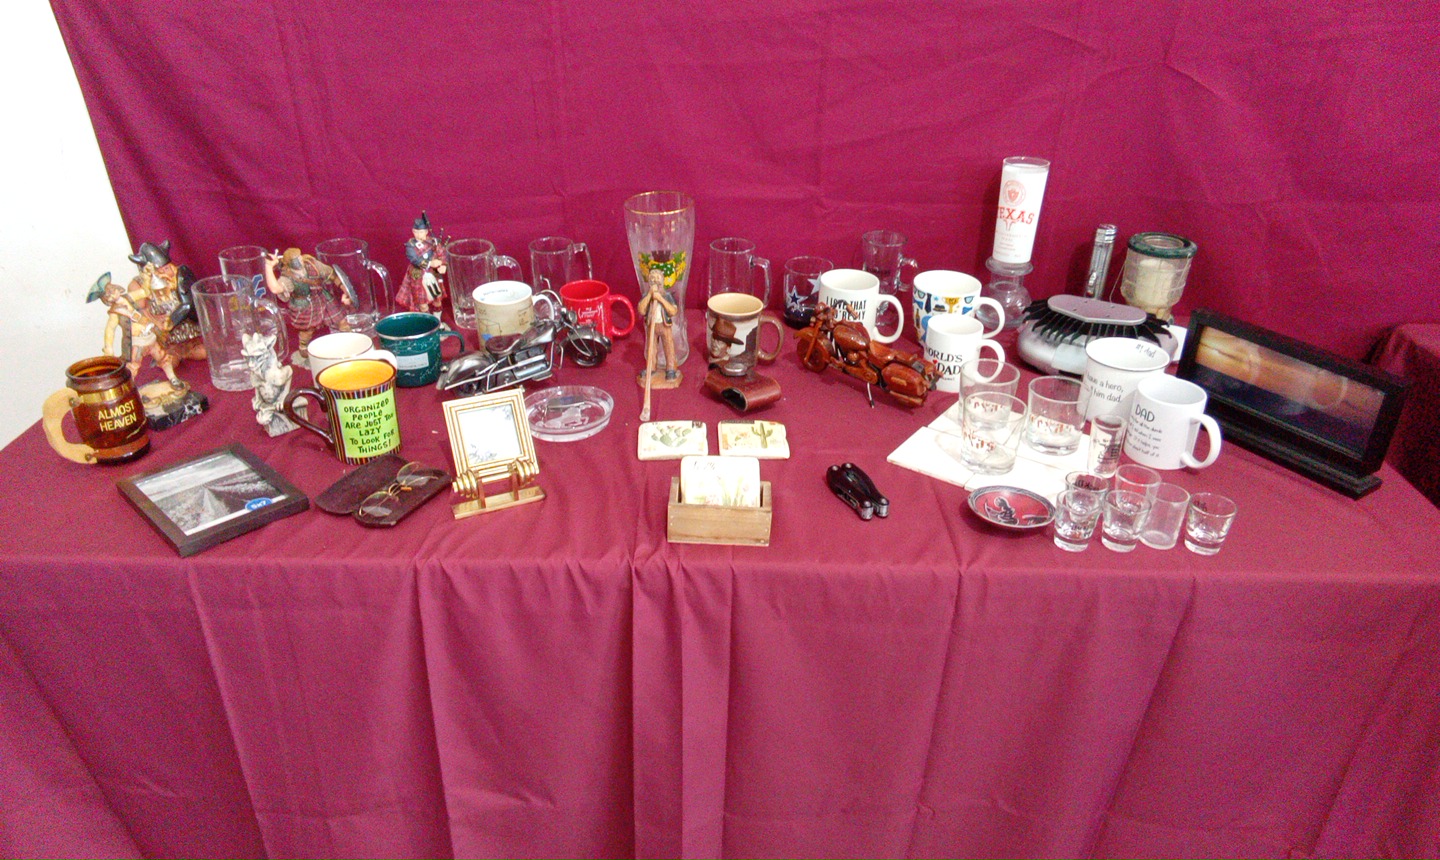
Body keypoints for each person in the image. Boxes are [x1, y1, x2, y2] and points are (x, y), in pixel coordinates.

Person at [263, 248, 352, 358]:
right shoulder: (287, 277)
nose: (300, 260)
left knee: (341, 319)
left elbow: (331, 275)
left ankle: (349, 339)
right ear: (289, 263)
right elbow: (275, 289)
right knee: (307, 330)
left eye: (299, 257)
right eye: (296, 259)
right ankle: (303, 347)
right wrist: (268, 267)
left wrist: (344, 288)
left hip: (322, 297)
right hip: (304, 304)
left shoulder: (311, 264)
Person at [396, 212, 447, 315]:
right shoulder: (410, 245)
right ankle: (427, 321)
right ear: (413, 232)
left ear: (426, 232)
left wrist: (443, 264)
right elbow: (414, 259)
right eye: (416, 232)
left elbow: (442, 253)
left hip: (433, 274)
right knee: (422, 304)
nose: (419, 235)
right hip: (418, 275)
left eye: (421, 232)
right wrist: (430, 263)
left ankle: (437, 320)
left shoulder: (433, 242)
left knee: (437, 299)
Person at [639, 268, 679, 381]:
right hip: (651, 326)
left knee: (669, 347)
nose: (655, 280)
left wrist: (660, 298)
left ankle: (671, 369)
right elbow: (641, 310)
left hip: (665, 325)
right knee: (651, 348)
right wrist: (649, 295)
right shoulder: (646, 296)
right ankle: (651, 368)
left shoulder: (668, 296)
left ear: (662, 280)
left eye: (657, 278)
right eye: (652, 278)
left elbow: (673, 311)